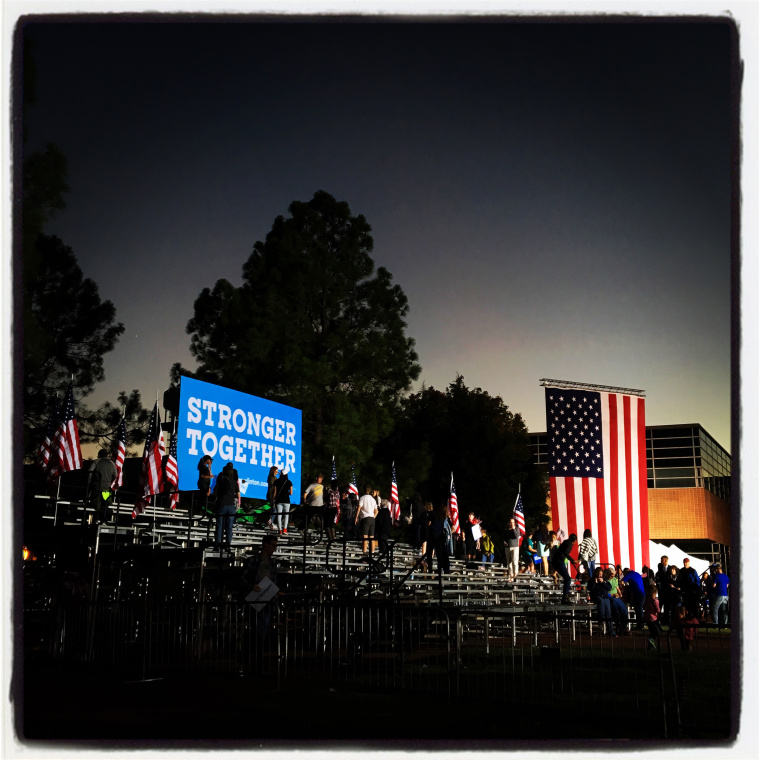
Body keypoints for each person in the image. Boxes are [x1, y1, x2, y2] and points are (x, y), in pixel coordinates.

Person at [240, 534, 280, 673]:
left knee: (260, 632)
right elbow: (243, 579)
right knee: (256, 631)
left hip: (265, 600)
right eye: (273, 545)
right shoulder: (254, 561)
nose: (275, 548)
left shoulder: (271, 563)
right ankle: (254, 658)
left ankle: (255, 658)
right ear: (266, 545)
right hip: (256, 600)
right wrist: (252, 586)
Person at [87, 449, 118, 523]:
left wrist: (90, 482)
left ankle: (95, 521)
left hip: (97, 487)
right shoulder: (112, 463)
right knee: (106, 505)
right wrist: (109, 480)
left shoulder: (96, 461)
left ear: (99, 454)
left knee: (96, 506)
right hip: (107, 488)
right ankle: (105, 521)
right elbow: (115, 475)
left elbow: (90, 473)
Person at [213, 462, 237, 549]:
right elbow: (236, 493)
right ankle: (228, 545)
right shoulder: (234, 482)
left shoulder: (221, 480)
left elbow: (216, 491)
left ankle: (218, 545)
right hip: (231, 505)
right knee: (229, 527)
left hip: (222, 504)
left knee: (219, 526)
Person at [552, 533, 579, 603]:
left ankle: (565, 596)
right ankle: (565, 598)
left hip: (556, 561)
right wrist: (572, 560)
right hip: (559, 561)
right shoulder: (569, 544)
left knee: (566, 578)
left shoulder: (566, 542)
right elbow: (565, 553)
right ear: (575, 541)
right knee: (567, 579)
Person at [427, 501, 452, 574]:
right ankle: (440, 569)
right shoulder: (443, 517)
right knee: (439, 554)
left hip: (432, 535)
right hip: (440, 536)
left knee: (429, 553)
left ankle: (430, 569)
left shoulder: (433, 514)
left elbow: (429, 523)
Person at [589, 567, 615, 636]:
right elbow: (590, 588)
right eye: (599, 574)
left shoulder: (605, 580)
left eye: (601, 574)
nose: (600, 575)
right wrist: (595, 582)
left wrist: (603, 582)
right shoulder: (592, 579)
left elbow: (609, 588)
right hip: (597, 596)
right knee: (601, 601)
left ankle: (611, 631)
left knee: (608, 614)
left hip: (605, 597)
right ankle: (601, 617)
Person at [355, 486, 378, 555]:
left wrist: (356, 517)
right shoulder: (373, 499)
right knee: (371, 536)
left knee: (365, 536)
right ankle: (372, 552)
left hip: (365, 518)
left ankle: (364, 552)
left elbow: (359, 508)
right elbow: (376, 511)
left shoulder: (362, 498)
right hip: (372, 518)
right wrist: (373, 517)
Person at [274, 467, 293, 535]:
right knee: (286, 515)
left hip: (279, 500)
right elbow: (291, 493)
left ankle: (280, 530)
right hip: (286, 500)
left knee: (279, 515)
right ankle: (285, 529)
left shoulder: (276, 481)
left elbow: (275, 492)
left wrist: (273, 499)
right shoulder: (289, 482)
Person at [644, 584, 662, 650]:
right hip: (653, 618)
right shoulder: (655, 601)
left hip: (647, 617)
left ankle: (651, 645)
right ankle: (651, 640)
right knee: (658, 630)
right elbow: (658, 610)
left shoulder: (647, 600)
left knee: (653, 631)